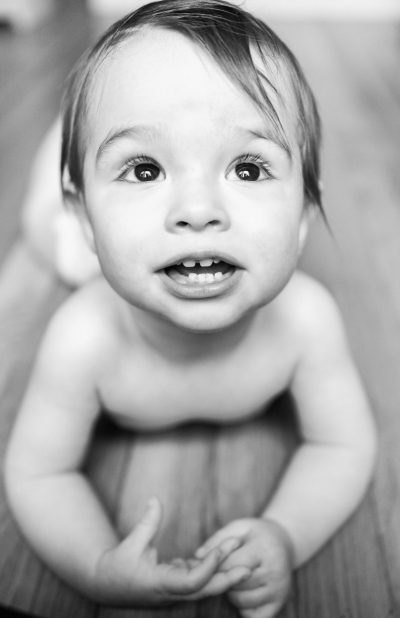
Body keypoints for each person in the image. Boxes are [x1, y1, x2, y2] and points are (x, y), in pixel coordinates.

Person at [4, 1, 377, 616]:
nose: (199, 209)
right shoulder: (84, 339)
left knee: (107, 164)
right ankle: (70, 150)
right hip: (81, 245)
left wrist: (286, 532)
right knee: (50, 239)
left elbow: (342, 447)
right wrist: (97, 564)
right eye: (145, 168)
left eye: (249, 167)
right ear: (92, 222)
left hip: (125, 238)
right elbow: (39, 476)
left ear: (306, 217)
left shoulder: (306, 325)